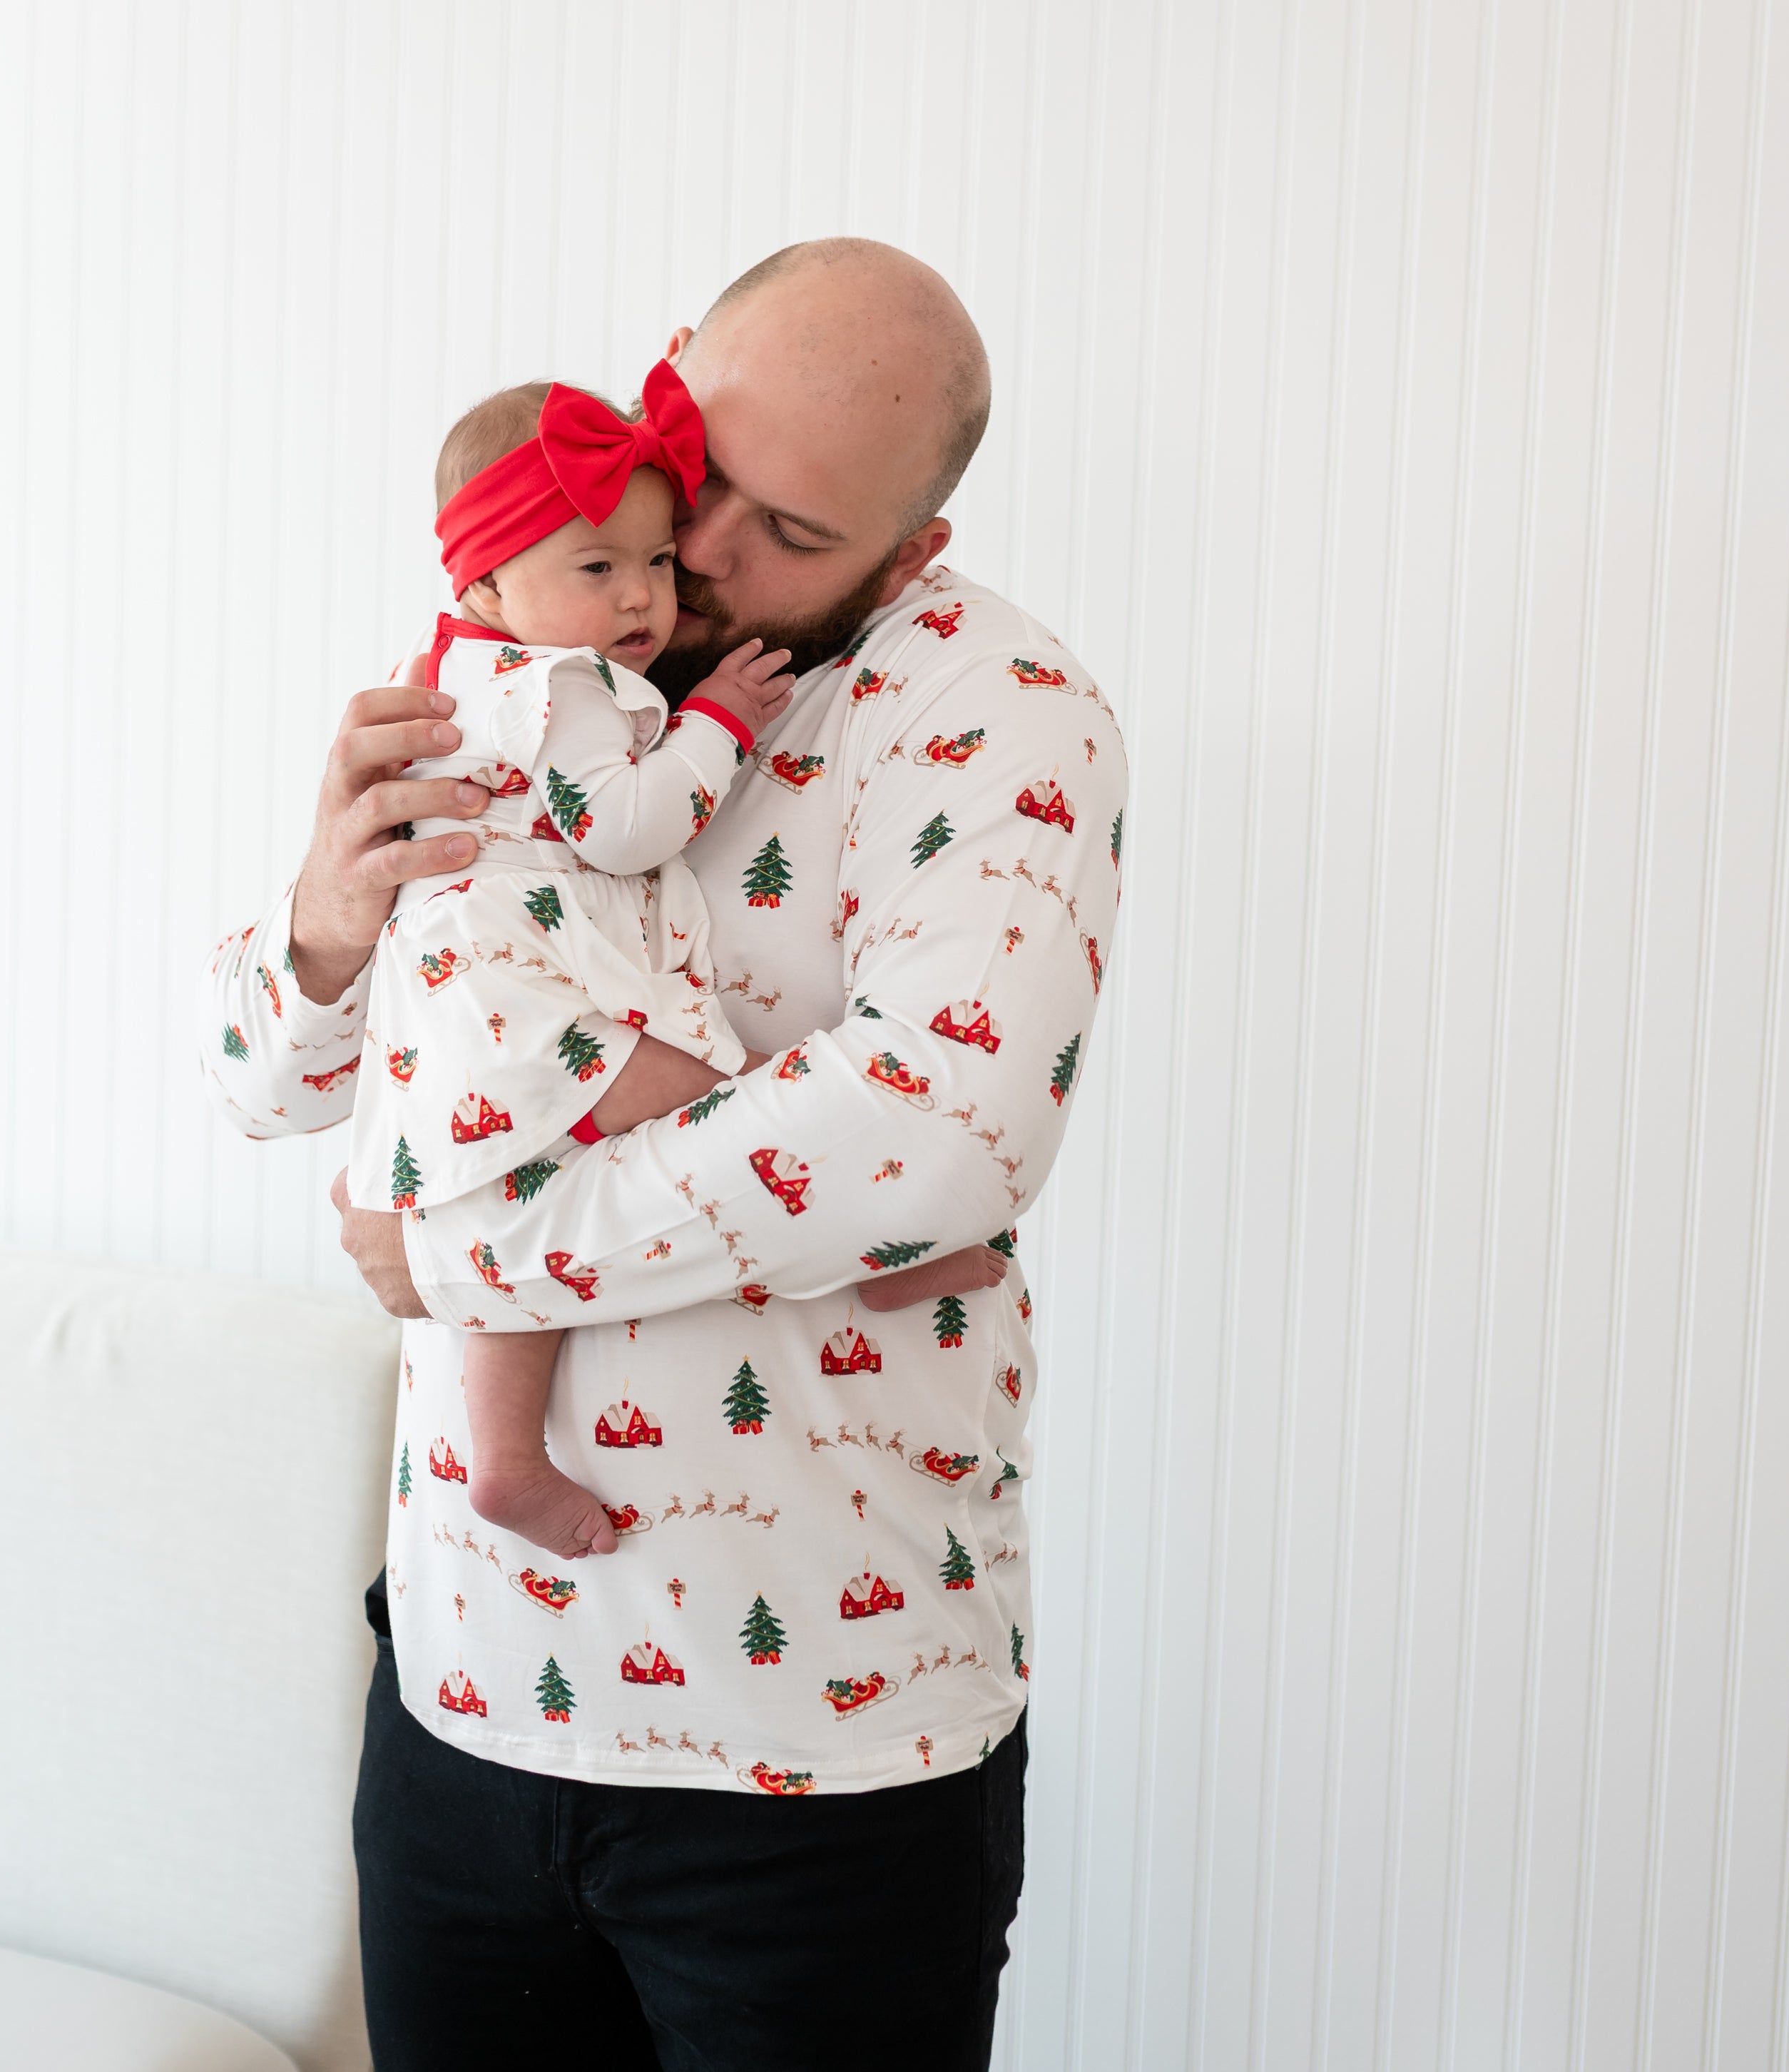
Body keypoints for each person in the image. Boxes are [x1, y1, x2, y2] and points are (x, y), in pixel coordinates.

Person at [198, 238, 1126, 2071]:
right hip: (469, 1697)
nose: (695, 559)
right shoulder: (511, 650)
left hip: (815, 1747)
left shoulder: (997, 712)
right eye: (699, 467)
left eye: (790, 533)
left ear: (907, 553)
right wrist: (320, 924)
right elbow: (266, 1089)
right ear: (666, 364)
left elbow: (935, 1138)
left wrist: (459, 1242)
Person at [330, 361, 1004, 1564]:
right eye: (602, 569)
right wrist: (720, 727)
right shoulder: (559, 689)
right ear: (485, 579)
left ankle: (505, 1460)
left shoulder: (461, 669)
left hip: (474, 1007)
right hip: (520, 1000)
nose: (653, 591)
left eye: (650, 556)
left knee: (514, 1201)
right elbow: (629, 826)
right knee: (720, 1098)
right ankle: (896, 1242)